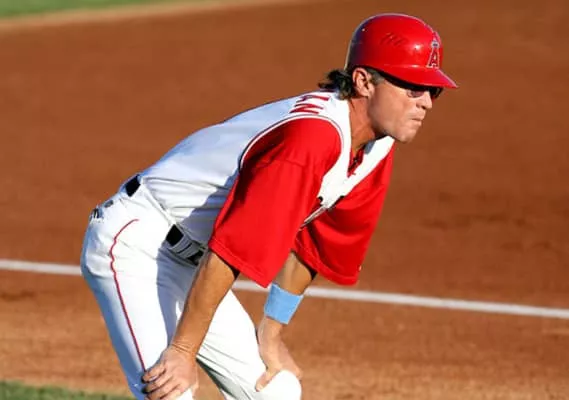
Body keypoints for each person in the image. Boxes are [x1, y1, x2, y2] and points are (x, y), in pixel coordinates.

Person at [80, 12, 457, 400]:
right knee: (169, 390)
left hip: (194, 263)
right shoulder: (311, 138)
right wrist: (182, 351)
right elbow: (231, 248)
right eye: (413, 88)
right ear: (363, 81)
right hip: (137, 243)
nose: (426, 103)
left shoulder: (376, 146)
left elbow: (316, 243)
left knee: (277, 391)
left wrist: (271, 333)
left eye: (434, 91)